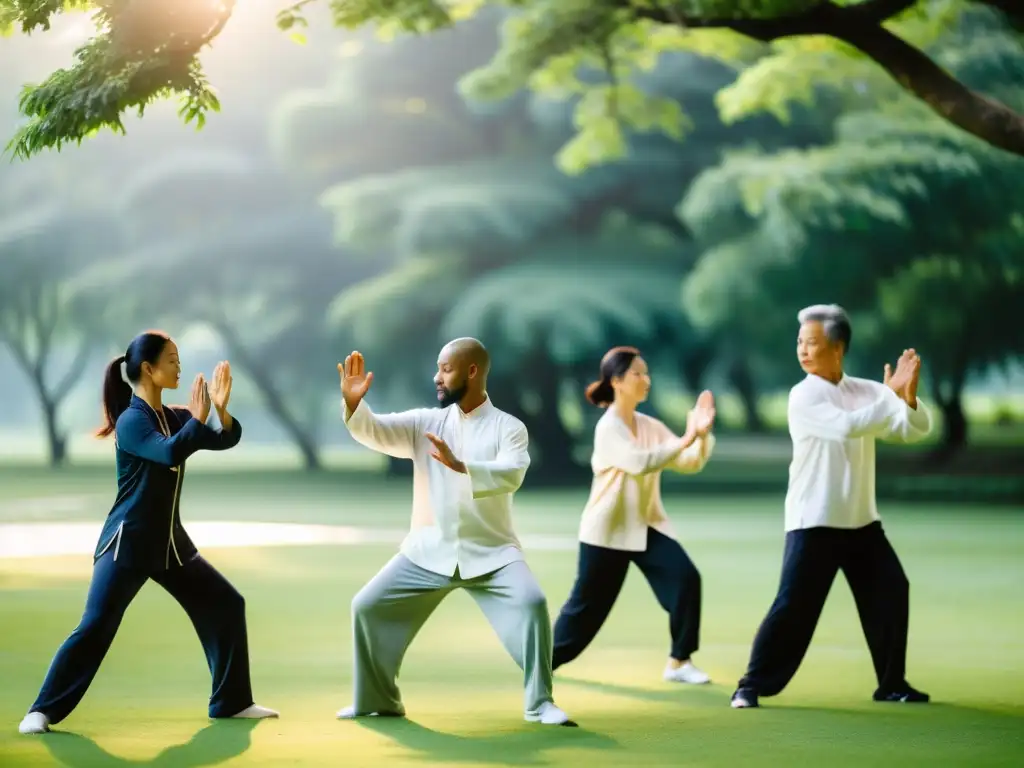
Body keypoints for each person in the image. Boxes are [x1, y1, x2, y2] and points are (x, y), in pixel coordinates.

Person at [19, 331, 278, 735]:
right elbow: (169, 451)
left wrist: (220, 412)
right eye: (172, 360)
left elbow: (225, 438)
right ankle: (41, 711)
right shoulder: (131, 420)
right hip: (128, 544)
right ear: (148, 369)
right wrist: (197, 419)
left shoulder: (172, 415)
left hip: (170, 545)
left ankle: (231, 702)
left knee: (226, 604)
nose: (179, 366)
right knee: (96, 625)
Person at [336, 339, 572, 726]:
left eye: (445, 369)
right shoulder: (424, 423)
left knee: (531, 604)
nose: (437, 377)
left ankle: (540, 703)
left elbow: (513, 473)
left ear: (473, 371)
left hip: (493, 554)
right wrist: (353, 404)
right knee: (366, 606)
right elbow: (375, 430)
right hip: (427, 551)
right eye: (438, 368)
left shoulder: (509, 428)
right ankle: (378, 700)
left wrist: (462, 465)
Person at [730, 304, 933, 710]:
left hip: (861, 521)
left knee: (892, 589)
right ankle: (749, 686)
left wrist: (907, 400)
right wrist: (889, 397)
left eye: (812, 343)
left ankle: (892, 684)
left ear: (838, 349)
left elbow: (913, 430)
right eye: (800, 343)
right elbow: (846, 427)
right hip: (814, 521)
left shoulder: (866, 390)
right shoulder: (803, 395)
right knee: (793, 608)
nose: (803, 350)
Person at [551, 346, 717, 685]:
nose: (646, 379)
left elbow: (688, 462)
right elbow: (640, 462)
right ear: (617, 382)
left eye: (646, 372)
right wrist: (687, 437)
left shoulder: (649, 425)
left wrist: (701, 436)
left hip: (644, 527)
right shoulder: (607, 427)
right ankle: (541, 663)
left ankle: (679, 662)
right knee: (585, 611)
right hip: (607, 532)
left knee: (685, 578)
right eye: (637, 373)